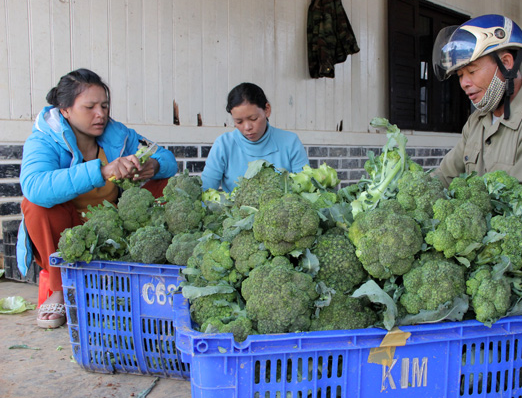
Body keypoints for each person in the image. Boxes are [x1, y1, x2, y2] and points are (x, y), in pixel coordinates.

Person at [17, 68, 178, 329]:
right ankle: (59, 289)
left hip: (112, 225)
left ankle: (153, 268)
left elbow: (167, 157)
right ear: (65, 110)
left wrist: (155, 166)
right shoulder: (44, 139)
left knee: (165, 184)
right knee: (36, 206)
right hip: (66, 229)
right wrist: (101, 171)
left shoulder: (118, 136)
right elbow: (34, 187)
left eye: (104, 105)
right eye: (89, 107)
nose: (100, 114)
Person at [431, 14, 522, 206]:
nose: (464, 83)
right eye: (460, 75)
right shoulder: (476, 122)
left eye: (472, 71)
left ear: (507, 63)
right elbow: (444, 176)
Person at [201, 82, 309, 192]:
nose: (247, 127)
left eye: (253, 119)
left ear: (267, 109)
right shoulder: (223, 145)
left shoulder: (290, 142)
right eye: (239, 122)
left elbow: (305, 188)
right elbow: (205, 190)